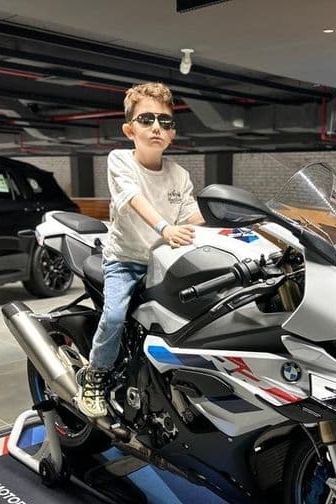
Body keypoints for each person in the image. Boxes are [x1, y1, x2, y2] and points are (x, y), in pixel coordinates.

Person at [77, 82, 203, 419]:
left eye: (165, 121)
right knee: (115, 315)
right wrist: (165, 228)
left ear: (172, 133)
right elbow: (134, 201)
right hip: (126, 259)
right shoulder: (120, 160)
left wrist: (235, 233)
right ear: (129, 129)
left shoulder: (179, 174)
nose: (157, 127)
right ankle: (96, 375)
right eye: (147, 120)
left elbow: (195, 217)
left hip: (165, 262)